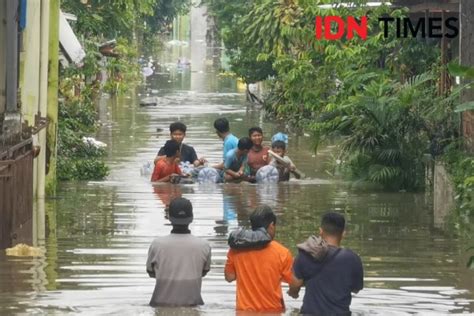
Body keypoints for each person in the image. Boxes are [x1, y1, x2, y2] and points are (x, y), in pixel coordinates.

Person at [224, 205, 298, 312]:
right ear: (272, 225)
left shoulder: (236, 249)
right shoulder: (282, 252)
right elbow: (293, 281)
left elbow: (229, 277)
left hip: (244, 312)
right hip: (273, 311)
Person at [288, 212, 364, 315]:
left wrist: (294, 293)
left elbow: (294, 286)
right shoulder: (353, 259)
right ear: (343, 233)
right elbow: (356, 288)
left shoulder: (305, 255)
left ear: (321, 231)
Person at [146, 197, 212, 307]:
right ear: (191, 218)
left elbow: (151, 272)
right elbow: (204, 272)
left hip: (160, 306)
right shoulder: (203, 245)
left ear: (169, 217)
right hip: (193, 306)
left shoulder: (157, 245)